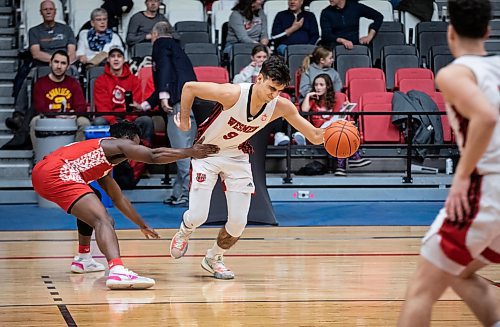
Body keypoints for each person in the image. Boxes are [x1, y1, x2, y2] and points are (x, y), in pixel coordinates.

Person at [169, 56, 325, 279]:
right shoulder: (232, 94)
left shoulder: (280, 106)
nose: (274, 95)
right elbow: (189, 87)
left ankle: (214, 258)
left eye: (279, 90)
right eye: (271, 88)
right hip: (207, 153)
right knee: (198, 215)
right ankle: (184, 232)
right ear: (259, 78)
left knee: (238, 223)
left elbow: (315, 136)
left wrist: (337, 133)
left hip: (237, 156)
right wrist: (185, 122)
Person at [398, 0, 500, 326]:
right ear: (487, 31)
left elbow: (485, 117)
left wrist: (461, 176)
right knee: (458, 272)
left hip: (485, 190)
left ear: (450, 32)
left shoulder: (454, 73)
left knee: (420, 292)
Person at [32, 121, 219, 289]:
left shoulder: (102, 160)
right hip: (57, 172)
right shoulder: (118, 143)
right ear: (131, 138)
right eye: (137, 143)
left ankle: (83, 259)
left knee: (94, 199)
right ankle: (117, 270)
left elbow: (118, 198)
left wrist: (142, 225)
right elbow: (154, 155)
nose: (137, 148)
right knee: (102, 219)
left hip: (43, 173)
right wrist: (190, 152)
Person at [140, 21, 198, 207]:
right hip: (187, 102)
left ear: (155, 33)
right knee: (183, 150)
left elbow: (164, 70)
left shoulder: (161, 44)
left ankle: (190, 196)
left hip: (178, 106)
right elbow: (170, 77)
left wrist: (164, 96)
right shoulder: (176, 48)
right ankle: (179, 193)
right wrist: (145, 105)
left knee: (182, 153)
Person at [6, 0, 77, 133]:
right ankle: (19, 114)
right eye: (45, 9)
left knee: (75, 74)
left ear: (56, 11)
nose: (48, 11)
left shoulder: (66, 30)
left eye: (51, 9)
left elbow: (72, 52)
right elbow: (36, 53)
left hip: (66, 64)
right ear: (41, 12)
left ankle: (76, 110)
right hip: (41, 64)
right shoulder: (34, 31)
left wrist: (62, 63)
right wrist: (56, 61)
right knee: (26, 78)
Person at [301, 74, 370, 176]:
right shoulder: (312, 100)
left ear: (327, 86)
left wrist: (345, 108)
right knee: (339, 132)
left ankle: (341, 168)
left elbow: (342, 117)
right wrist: (307, 96)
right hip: (318, 133)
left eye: (321, 85)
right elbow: (304, 110)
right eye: (316, 85)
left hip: (332, 132)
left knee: (340, 131)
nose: (318, 87)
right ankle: (353, 157)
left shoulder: (335, 99)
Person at [93, 46, 154, 145]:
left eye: (119, 56)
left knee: (146, 120)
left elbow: (135, 104)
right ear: (108, 60)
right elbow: (103, 107)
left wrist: (127, 122)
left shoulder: (134, 80)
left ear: (124, 59)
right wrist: (115, 123)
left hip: (129, 118)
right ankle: (101, 155)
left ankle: (145, 155)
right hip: (110, 119)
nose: (116, 59)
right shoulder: (100, 81)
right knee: (98, 122)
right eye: (113, 56)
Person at [30, 50, 90, 148]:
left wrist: (73, 114)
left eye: (63, 63)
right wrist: (57, 115)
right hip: (48, 118)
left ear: (68, 67)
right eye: (56, 62)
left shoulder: (73, 83)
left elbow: (81, 106)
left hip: (70, 117)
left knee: (84, 122)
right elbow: (39, 107)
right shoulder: (41, 83)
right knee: (34, 121)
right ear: (50, 63)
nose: (59, 66)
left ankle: (74, 157)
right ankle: (39, 158)